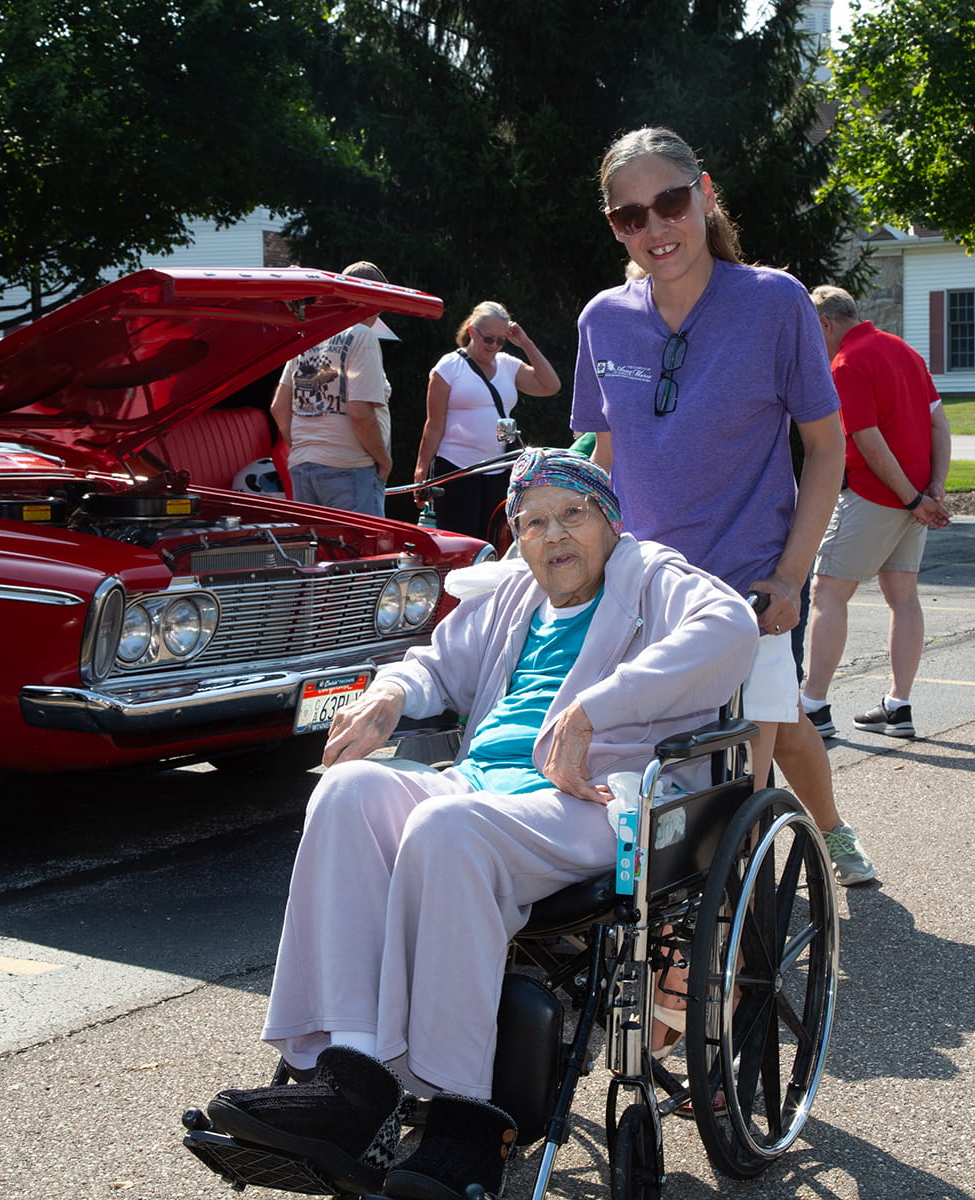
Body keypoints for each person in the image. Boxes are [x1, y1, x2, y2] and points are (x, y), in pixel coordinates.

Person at [197, 450, 757, 1200]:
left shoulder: (654, 577)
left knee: (450, 828)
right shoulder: (510, 600)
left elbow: (730, 629)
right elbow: (434, 663)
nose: (555, 537)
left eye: (573, 516)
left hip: (592, 801)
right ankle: (352, 1081)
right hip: (480, 787)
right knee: (346, 793)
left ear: (610, 523)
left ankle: (465, 1123)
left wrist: (596, 709)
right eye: (533, 524)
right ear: (516, 540)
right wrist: (391, 695)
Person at [570, 125, 874, 887]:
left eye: (669, 202)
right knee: (677, 751)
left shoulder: (775, 304)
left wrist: (791, 577)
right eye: (629, 216)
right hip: (646, 589)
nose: (654, 228)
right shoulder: (602, 318)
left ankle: (817, 841)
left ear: (705, 194)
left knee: (748, 761)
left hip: (747, 582)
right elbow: (600, 457)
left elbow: (828, 448)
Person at [798, 285, 952, 742]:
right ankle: (898, 707)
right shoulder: (903, 350)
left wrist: (912, 498)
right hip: (913, 499)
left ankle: (814, 707)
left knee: (827, 593)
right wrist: (932, 490)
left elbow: (867, 439)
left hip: (878, 496)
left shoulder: (847, 362)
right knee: (903, 597)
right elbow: (939, 423)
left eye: (812, 332)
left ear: (825, 324)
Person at [414, 301, 562, 540]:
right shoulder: (449, 367)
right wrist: (421, 471)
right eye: (488, 339)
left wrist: (525, 343)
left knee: (494, 542)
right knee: (459, 542)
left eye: (500, 340)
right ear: (472, 331)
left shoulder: (507, 364)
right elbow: (433, 425)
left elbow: (550, 385)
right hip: (456, 469)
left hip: (498, 468)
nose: (494, 346)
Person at [271, 261, 393, 516]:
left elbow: (279, 407)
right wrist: (383, 461)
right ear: (372, 300)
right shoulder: (362, 336)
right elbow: (359, 412)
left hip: (303, 466)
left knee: (315, 552)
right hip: (349, 467)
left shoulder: (310, 335)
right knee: (358, 553)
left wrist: (307, 446)